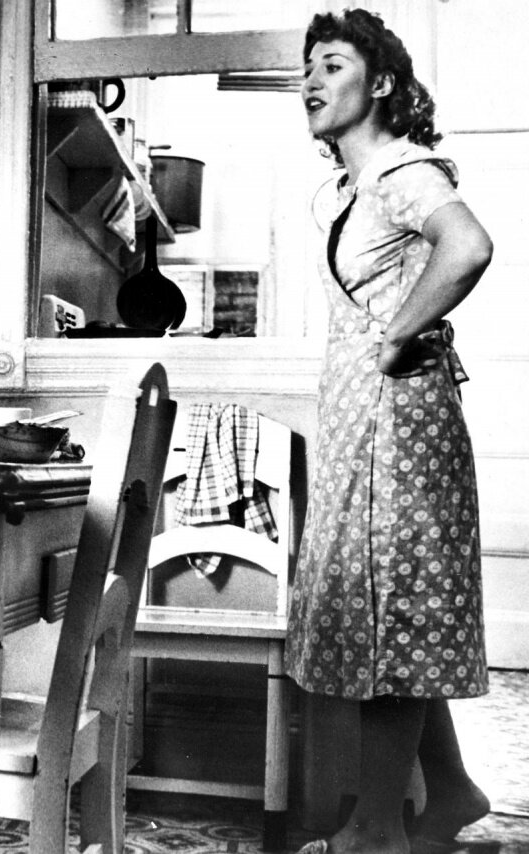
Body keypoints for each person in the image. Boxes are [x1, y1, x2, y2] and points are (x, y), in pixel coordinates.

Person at [285, 10, 494, 854]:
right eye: (307, 66)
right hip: (368, 422)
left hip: (398, 424)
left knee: (390, 611)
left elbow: (467, 247)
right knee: (391, 608)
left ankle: (374, 829)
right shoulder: (351, 188)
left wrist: (398, 335)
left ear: (380, 84)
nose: (311, 80)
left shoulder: (401, 171)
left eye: (332, 64)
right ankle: (451, 789)